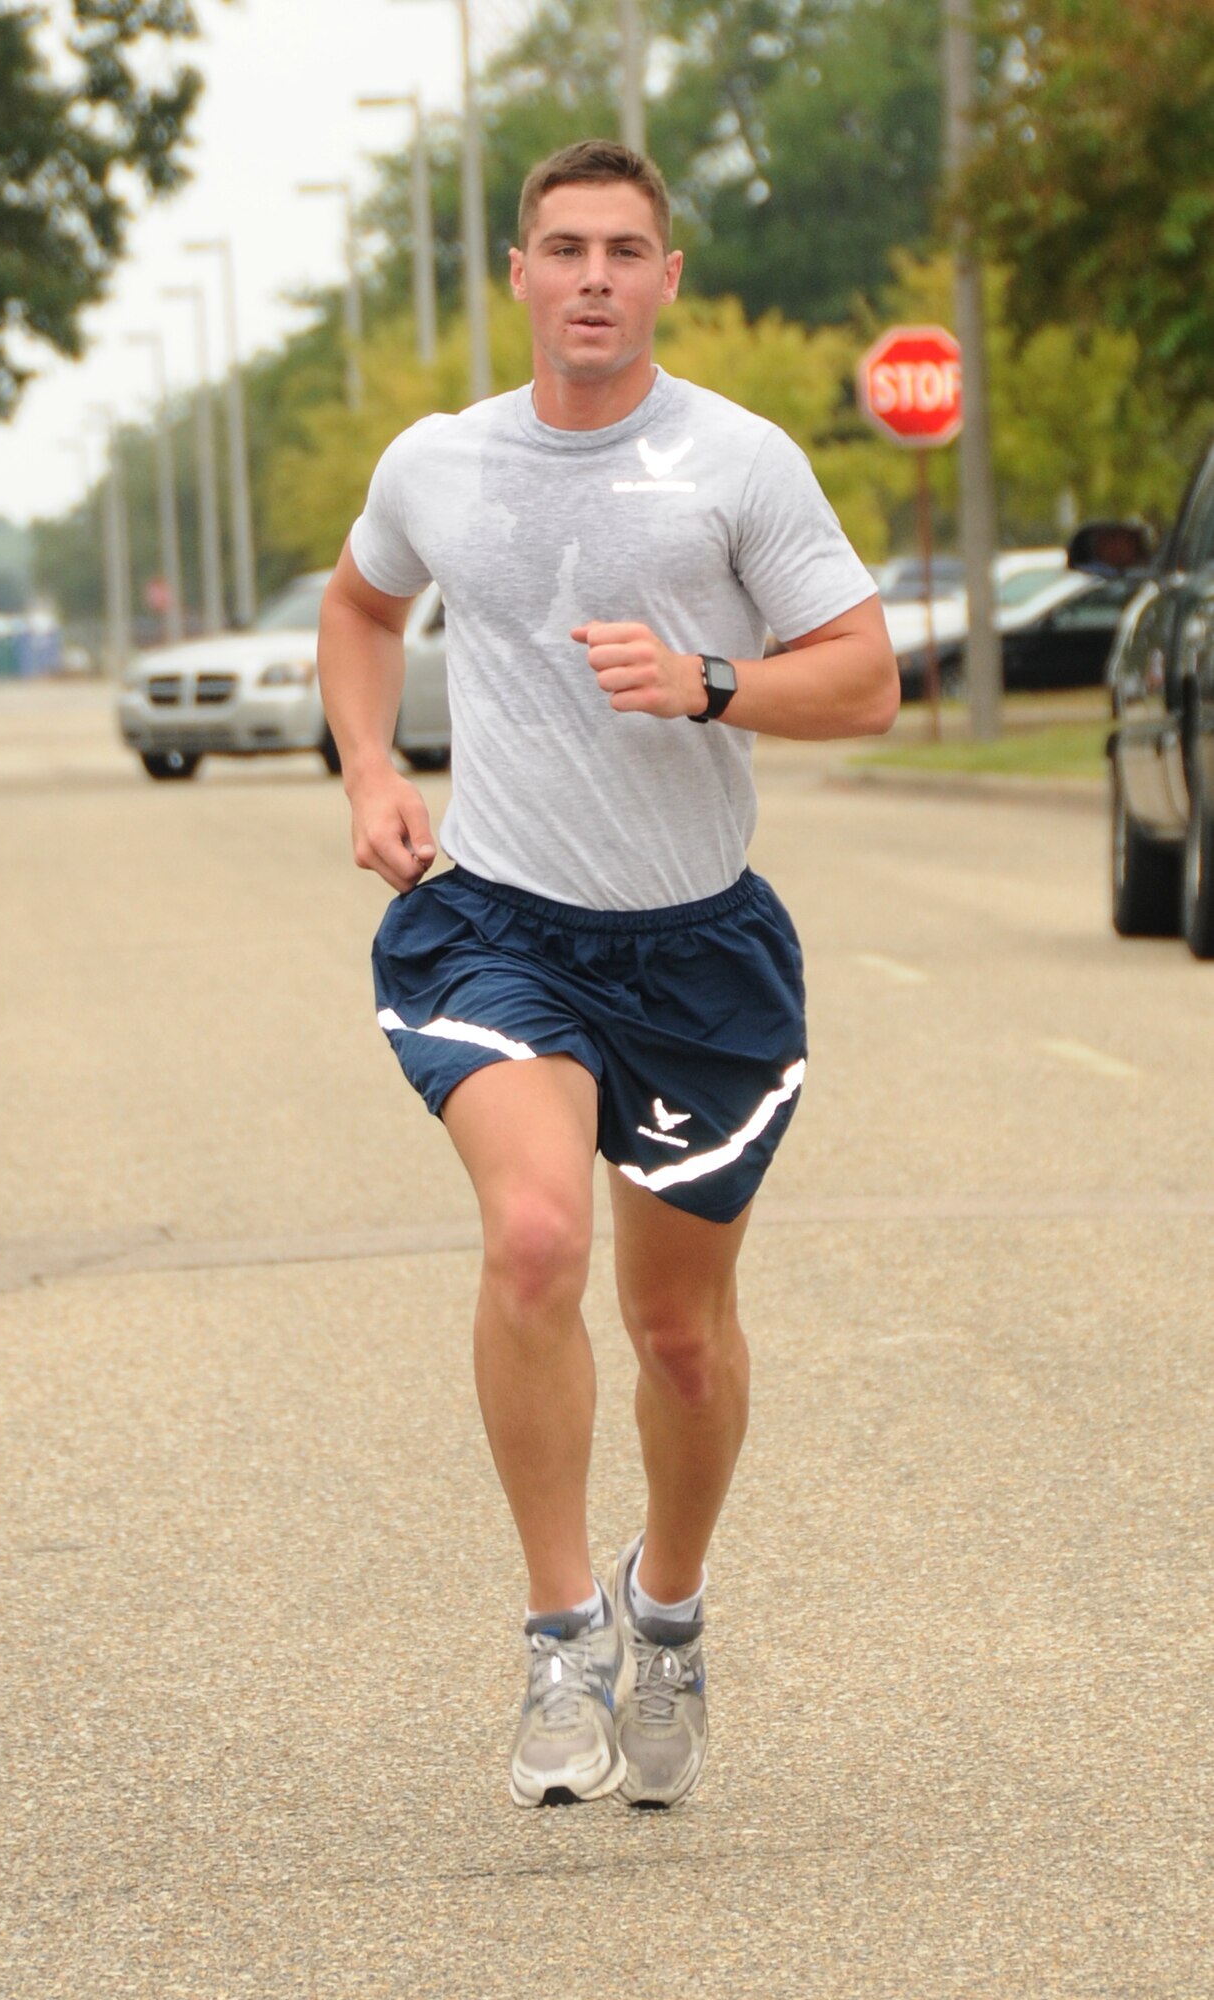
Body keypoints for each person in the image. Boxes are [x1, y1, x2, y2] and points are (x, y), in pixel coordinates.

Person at [317, 139, 899, 1810]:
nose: (590, 275)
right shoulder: (438, 462)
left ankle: (670, 1613)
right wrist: (367, 768)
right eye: (561, 245)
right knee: (532, 1237)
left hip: (699, 955)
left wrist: (711, 682)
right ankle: (560, 1634)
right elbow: (362, 610)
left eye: (622, 249)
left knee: (681, 1335)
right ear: (515, 273)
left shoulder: (739, 460)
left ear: (663, 279)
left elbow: (861, 682)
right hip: (495, 922)